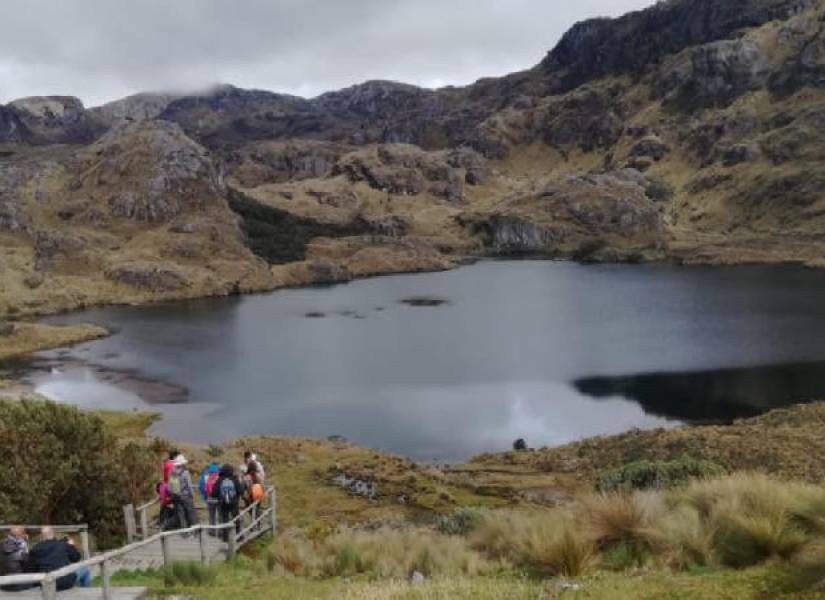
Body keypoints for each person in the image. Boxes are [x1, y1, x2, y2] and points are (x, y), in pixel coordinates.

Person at [28, 527, 91, 591]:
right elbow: (76, 558)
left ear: (42, 535)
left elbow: (31, 568)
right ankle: (86, 594)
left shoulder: (35, 549)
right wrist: (72, 546)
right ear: (53, 533)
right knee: (85, 569)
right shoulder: (63, 544)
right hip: (64, 581)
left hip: (45, 582)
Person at [212, 464, 241, 541]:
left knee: (225, 519)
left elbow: (213, 493)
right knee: (236, 518)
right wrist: (236, 496)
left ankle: (225, 537)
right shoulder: (234, 479)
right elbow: (240, 490)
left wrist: (220, 497)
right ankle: (238, 536)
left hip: (223, 503)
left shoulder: (219, 479)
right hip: (234, 502)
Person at [168, 454, 198, 529]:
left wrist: (173, 493)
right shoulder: (185, 473)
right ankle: (195, 529)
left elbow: (169, 486)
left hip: (176, 496)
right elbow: (189, 485)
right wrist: (192, 494)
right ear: (182, 464)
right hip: (186, 496)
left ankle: (184, 531)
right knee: (191, 512)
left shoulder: (172, 473)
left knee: (181, 514)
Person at [0, 527, 34, 592]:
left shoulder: (1, 543)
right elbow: (29, 566)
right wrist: (26, 543)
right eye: (24, 533)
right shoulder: (22, 546)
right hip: (17, 586)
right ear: (21, 535)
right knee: (39, 581)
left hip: (3, 584)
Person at [199, 463, 220, 533]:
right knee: (220, 515)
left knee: (211, 515)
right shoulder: (219, 477)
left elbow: (202, 487)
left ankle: (212, 531)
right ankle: (221, 531)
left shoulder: (206, 477)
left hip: (210, 498)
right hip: (218, 499)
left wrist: (205, 497)